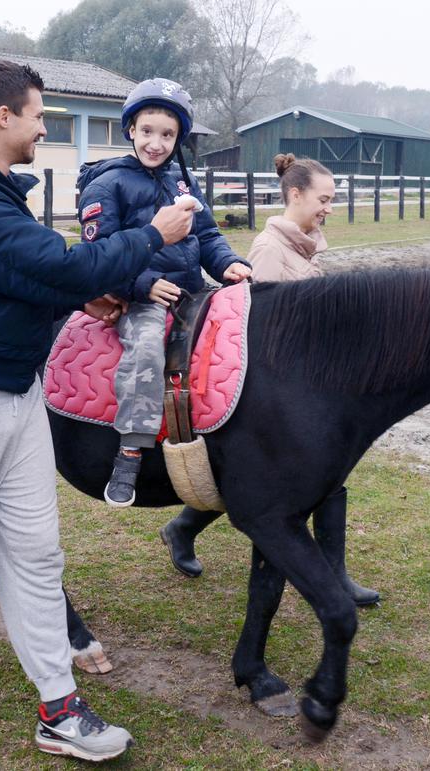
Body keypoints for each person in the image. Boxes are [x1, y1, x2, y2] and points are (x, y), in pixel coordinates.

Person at [0, 59, 196, 761]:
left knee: (34, 552)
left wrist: (74, 296)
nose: (41, 127)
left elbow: (17, 277)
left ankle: (58, 706)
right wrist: (154, 235)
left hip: (17, 397)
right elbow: (60, 265)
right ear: (3, 116)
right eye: (36, 114)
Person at [158, 154, 381, 607]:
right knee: (296, 478)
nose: (329, 208)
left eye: (332, 200)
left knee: (315, 476)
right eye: (324, 199)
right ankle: (331, 573)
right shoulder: (269, 250)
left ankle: (182, 528)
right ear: (295, 195)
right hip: (279, 389)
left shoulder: (306, 243)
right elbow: (266, 332)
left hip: (309, 383)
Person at [75, 78, 252, 508]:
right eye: (148, 131)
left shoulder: (182, 182)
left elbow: (207, 235)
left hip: (195, 289)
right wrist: (141, 285)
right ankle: (131, 448)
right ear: (131, 129)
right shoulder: (107, 186)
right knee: (147, 347)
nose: (157, 143)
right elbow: (100, 254)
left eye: (167, 135)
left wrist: (227, 261)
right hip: (142, 296)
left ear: (179, 139)